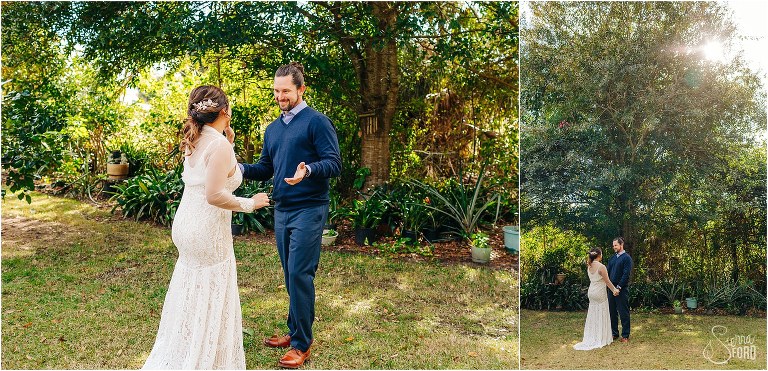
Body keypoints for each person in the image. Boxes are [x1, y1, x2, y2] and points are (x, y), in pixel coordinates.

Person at [143, 85, 270, 369]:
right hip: (206, 231)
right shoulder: (217, 145)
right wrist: (250, 203)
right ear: (225, 111)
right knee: (212, 291)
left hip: (186, 225)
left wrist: (229, 142)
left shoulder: (197, 139)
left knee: (192, 290)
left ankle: (185, 349)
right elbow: (215, 194)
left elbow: (216, 173)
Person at [239, 62, 341, 368]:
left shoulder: (317, 122)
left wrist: (308, 170)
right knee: (289, 273)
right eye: (276, 91)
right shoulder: (272, 129)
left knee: (299, 273)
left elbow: (334, 163)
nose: (280, 96)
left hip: (309, 207)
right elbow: (265, 168)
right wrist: (237, 167)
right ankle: (294, 329)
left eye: (285, 91)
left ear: (301, 89)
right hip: (282, 209)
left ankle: (301, 344)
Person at [573, 247, 620, 350]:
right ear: (599, 255)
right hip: (599, 293)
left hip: (591, 292)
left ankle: (592, 335)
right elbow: (607, 281)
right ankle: (601, 337)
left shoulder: (589, 266)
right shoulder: (601, 267)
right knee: (602, 312)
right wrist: (614, 290)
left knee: (593, 313)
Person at [607, 236, 633, 342]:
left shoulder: (627, 258)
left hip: (621, 289)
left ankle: (625, 335)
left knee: (623, 312)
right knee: (612, 312)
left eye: (616, 245)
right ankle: (614, 333)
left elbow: (626, 275)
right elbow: (607, 273)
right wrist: (611, 288)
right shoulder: (612, 258)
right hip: (611, 288)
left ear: (621, 245)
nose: (614, 247)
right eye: (613, 245)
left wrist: (618, 288)